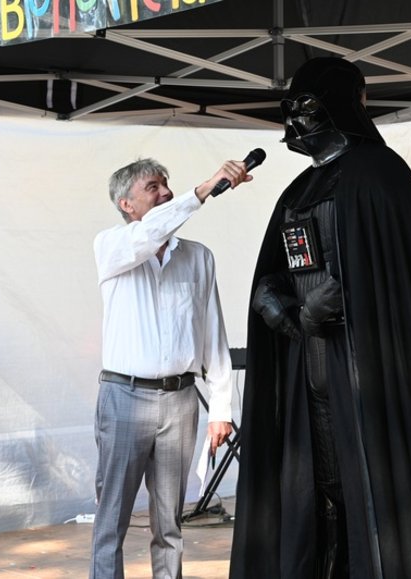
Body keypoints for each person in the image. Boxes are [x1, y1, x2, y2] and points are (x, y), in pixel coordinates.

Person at [229, 57, 411, 579]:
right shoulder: (296, 192)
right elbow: (273, 276)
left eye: (304, 107)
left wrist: (320, 306)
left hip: (370, 382)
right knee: (323, 497)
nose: (294, 122)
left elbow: (384, 281)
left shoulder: (380, 174)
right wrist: (285, 312)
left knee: (372, 498)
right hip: (309, 378)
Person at [90, 157, 251, 579]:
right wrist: (200, 191)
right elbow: (148, 235)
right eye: (153, 187)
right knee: (112, 520)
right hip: (124, 399)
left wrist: (220, 407)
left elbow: (212, 333)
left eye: (167, 185)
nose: (164, 192)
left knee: (170, 522)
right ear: (127, 204)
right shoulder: (111, 246)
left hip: (180, 402)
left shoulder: (198, 257)